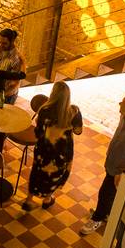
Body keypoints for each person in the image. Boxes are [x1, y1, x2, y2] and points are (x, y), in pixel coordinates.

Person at [81, 91, 125, 235]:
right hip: (113, 164)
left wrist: (122, 173)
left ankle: (97, 218)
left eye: (123, 102)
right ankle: (105, 213)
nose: (119, 103)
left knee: (105, 193)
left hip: (120, 171)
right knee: (109, 194)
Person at [23, 81, 83, 211]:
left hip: (44, 149)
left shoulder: (44, 110)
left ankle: (29, 200)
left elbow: (38, 132)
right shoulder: (74, 111)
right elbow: (78, 131)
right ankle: (47, 199)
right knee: (54, 175)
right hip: (62, 151)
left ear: (53, 94)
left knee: (37, 173)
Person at [0, 29, 26, 104]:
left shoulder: (16, 59)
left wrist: (1, 95)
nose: (0, 45)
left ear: (11, 42)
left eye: (4, 43)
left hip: (6, 96)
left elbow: (14, 83)